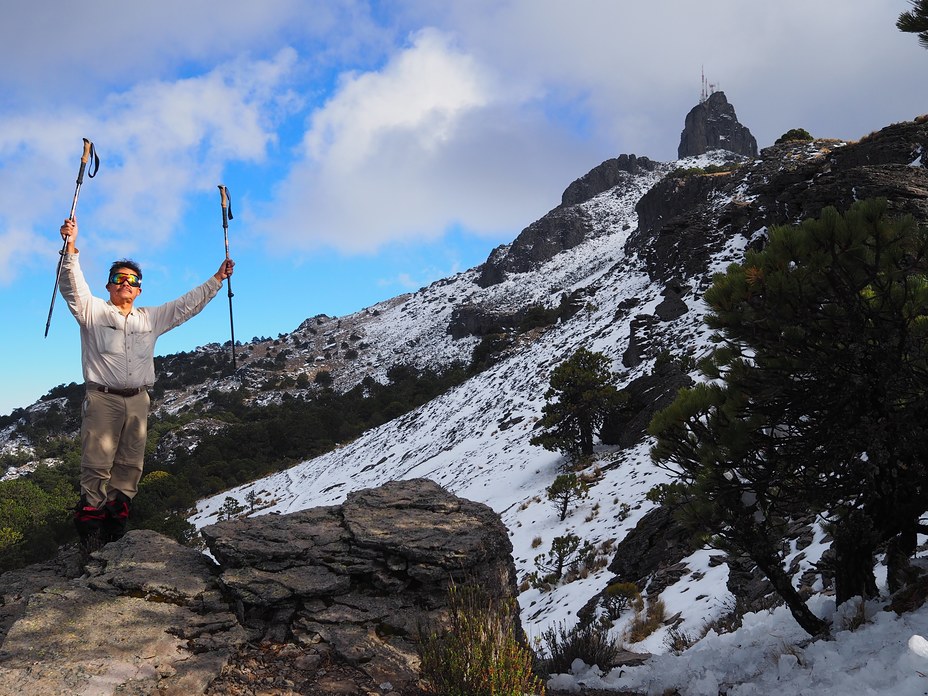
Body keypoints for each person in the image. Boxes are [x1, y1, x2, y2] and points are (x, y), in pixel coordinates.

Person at [57, 217, 234, 552]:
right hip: (103, 398)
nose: (125, 283)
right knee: (96, 464)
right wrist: (70, 247)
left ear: (139, 289)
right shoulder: (92, 311)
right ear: (109, 285)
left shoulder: (150, 318)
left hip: (138, 399)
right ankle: (90, 536)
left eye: (132, 279)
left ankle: (115, 528)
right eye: (118, 278)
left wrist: (217, 279)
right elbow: (71, 284)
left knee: (130, 465)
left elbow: (186, 306)